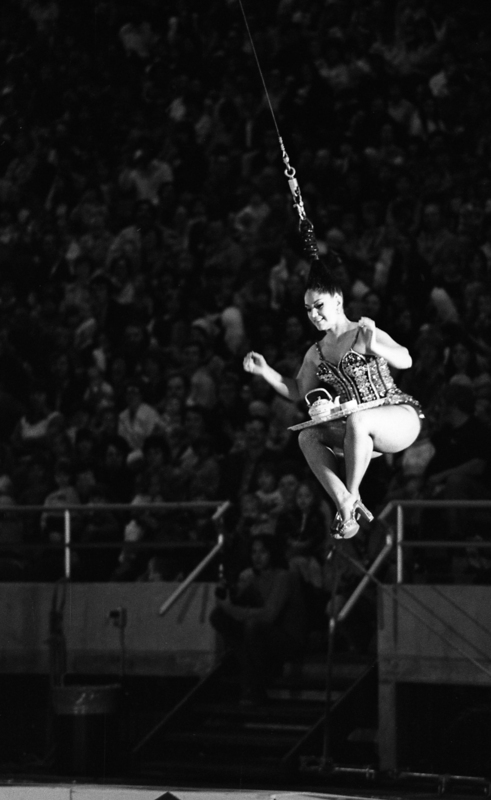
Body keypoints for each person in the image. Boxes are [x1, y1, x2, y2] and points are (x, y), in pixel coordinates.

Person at [243, 255, 423, 539]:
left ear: (338, 301)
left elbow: (406, 360)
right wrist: (267, 372)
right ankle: (344, 501)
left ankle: (352, 496)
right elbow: (299, 392)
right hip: (360, 432)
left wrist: (375, 344)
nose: (313, 314)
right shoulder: (316, 353)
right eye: (308, 309)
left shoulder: (362, 333)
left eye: (319, 306)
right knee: (308, 436)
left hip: (398, 417)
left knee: (358, 419)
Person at [210, 533, 308, 706]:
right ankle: (249, 674)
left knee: (252, 625)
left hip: (287, 638)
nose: (257, 557)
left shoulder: (284, 576)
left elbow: (269, 615)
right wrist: (230, 592)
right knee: (219, 617)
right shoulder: (253, 578)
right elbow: (237, 603)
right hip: (262, 637)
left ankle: (255, 684)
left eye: (263, 552)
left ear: (273, 553)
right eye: (254, 552)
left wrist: (230, 608)